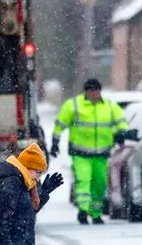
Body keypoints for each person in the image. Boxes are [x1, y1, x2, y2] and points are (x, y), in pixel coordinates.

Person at [51, 78, 128, 225]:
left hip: (102, 154)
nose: (94, 93)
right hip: (81, 154)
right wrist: (55, 141)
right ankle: (83, 210)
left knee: (99, 185)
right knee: (83, 181)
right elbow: (60, 123)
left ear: (100, 91)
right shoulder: (73, 105)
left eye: (96, 90)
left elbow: (121, 122)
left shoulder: (110, 107)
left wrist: (121, 133)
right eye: (91, 91)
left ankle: (96, 213)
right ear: (85, 91)